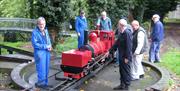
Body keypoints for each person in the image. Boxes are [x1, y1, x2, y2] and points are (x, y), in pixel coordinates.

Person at [109, 19, 133, 90]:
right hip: (121, 56)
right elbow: (117, 43)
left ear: (121, 25)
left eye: (118, 24)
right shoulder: (121, 32)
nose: (118, 25)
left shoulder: (127, 33)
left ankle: (126, 86)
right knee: (121, 71)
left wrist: (127, 57)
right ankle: (122, 85)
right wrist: (110, 51)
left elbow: (129, 46)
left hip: (125, 57)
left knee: (126, 71)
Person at [31, 17, 52, 88]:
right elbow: (35, 44)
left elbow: (48, 39)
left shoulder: (45, 30)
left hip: (47, 52)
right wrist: (46, 46)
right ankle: (41, 84)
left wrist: (50, 46)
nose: (41, 26)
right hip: (40, 53)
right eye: (40, 24)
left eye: (43, 24)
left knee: (46, 68)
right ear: (37, 24)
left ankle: (45, 83)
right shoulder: (34, 32)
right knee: (41, 69)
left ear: (45, 24)